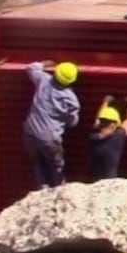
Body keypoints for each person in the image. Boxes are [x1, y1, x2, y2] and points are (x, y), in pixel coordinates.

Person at [23, 60, 80, 189]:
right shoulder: (70, 99)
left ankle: (42, 190)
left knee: (39, 163)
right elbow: (73, 122)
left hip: (30, 133)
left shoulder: (44, 80)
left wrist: (44, 63)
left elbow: (31, 68)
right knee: (57, 166)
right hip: (49, 138)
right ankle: (59, 192)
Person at [89, 94, 127, 181]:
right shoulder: (118, 137)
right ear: (115, 124)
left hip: (93, 182)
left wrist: (105, 102)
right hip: (110, 182)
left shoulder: (93, 136)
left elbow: (98, 119)